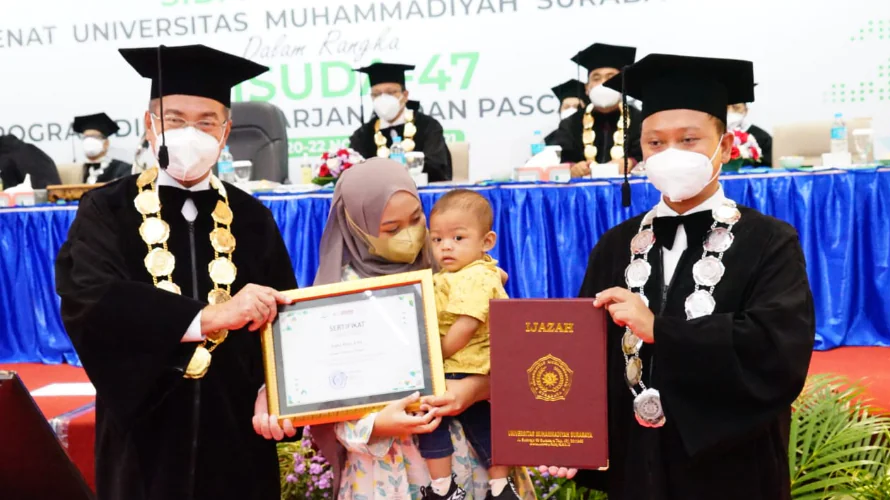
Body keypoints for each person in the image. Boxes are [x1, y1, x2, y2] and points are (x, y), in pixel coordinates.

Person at [543, 53, 816, 499]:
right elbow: (586, 352)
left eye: (689, 140)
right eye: (655, 143)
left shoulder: (769, 241)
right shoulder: (615, 245)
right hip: (639, 460)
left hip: (732, 461)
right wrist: (571, 434)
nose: (670, 154)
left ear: (724, 148)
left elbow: (777, 349)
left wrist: (661, 332)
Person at [54, 43, 298, 500]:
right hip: (143, 430)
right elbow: (91, 297)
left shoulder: (251, 218)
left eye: (206, 122)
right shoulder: (107, 209)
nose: (191, 133)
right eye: (174, 119)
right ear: (150, 126)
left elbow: (286, 316)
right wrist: (208, 318)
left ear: (225, 134)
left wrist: (276, 389)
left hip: (235, 432)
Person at [253, 160, 535, 500]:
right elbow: (326, 394)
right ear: (358, 228)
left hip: (472, 462)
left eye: (417, 219)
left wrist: (474, 389)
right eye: (391, 228)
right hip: (387, 473)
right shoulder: (339, 297)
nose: (412, 234)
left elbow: (508, 358)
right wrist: (377, 424)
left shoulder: (464, 270)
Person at [417, 189, 514, 500]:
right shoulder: (453, 275)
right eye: (437, 240)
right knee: (482, 425)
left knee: (433, 422)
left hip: (465, 365)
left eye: (458, 238)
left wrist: (433, 356)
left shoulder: (476, 277)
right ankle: (496, 488)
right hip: (463, 366)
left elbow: (464, 326)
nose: (446, 246)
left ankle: (445, 487)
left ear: (486, 242)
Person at [349, 63, 453, 182]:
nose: (383, 98)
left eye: (390, 92)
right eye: (376, 94)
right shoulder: (363, 134)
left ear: (405, 95)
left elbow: (437, 166)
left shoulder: (428, 126)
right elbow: (356, 174)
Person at [556, 43, 642, 178]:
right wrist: (573, 168)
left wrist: (631, 163)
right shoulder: (570, 123)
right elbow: (562, 158)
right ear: (587, 88)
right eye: (596, 78)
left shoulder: (640, 119)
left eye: (610, 77)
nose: (603, 83)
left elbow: (648, 156)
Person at [72, 113, 132, 184]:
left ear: (106, 143)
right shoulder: (81, 172)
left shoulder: (122, 169)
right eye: (86, 137)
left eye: (94, 136)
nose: (89, 141)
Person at [545, 79, 586, 147]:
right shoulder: (550, 139)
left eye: (577, 107)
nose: (572, 110)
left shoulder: (597, 134)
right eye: (567, 107)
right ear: (560, 111)